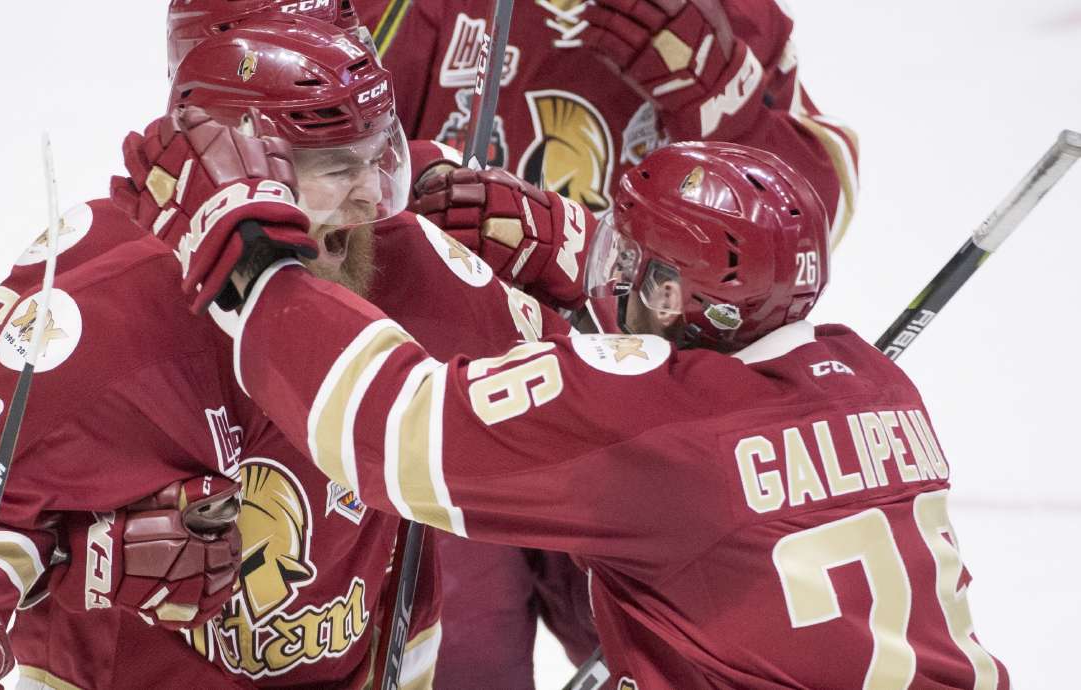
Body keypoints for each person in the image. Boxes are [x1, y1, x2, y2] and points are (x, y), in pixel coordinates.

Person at [121, 115, 1008, 688]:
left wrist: (258, 268)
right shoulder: (875, 382)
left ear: (672, 294)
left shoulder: (655, 424)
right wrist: (544, 237)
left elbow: (396, 427)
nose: (607, 267)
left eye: (631, 256)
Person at [0, 15, 582, 689]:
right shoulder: (96, 306)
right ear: (233, 160)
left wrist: (582, 255)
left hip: (364, 665)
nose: (371, 199)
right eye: (339, 167)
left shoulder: (406, 260)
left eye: (378, 158)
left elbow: (608, 400)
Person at [348, 0, 863, 682]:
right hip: (457, 407)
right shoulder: (406, 11)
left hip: (657, 424)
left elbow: (805, 228)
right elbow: (318, 176)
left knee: (735, 654)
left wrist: (720, 95)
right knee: (462, 665)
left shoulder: (731, 14)